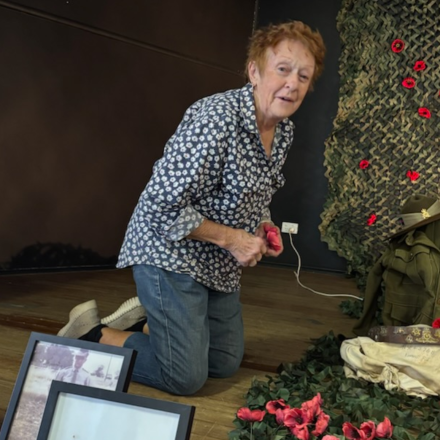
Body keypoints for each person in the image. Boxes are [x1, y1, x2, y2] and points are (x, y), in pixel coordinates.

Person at [58, 20, 326, 395]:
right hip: (169, 251)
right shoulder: (216, 119)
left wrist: (263, 225)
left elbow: (257, 193)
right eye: (283, 69)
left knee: (223, 362)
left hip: (216, 261)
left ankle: (151, 325)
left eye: (303, 76)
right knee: (183, 377)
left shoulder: (283, 131)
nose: (292, 83)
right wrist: (234, 240)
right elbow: (160, 205)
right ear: (254, 71)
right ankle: (92, 333)